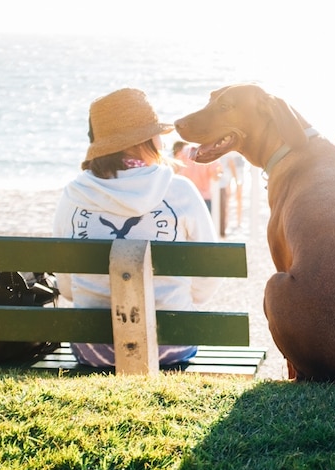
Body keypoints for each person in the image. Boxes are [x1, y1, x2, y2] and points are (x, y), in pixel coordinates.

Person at [52, 88, 220, 367]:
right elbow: (208, 278)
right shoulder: (179, 190)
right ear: (149, 140)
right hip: (171, 343)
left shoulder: (74, 194)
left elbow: (67, 289)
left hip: (93, 348)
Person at [175, 140, 222, 211]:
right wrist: (220, 172)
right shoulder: (211, 152)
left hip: (186, 196)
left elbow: (175, 169)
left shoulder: (185, 150)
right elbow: (215, 177)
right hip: (203, 198)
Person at [217, 151, 246, 235]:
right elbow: (230, 162)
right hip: (230, 167)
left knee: (236, 197)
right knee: (231, 197)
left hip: (234, 167)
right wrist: (236, 179)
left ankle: (237, 221)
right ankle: (233, 221)